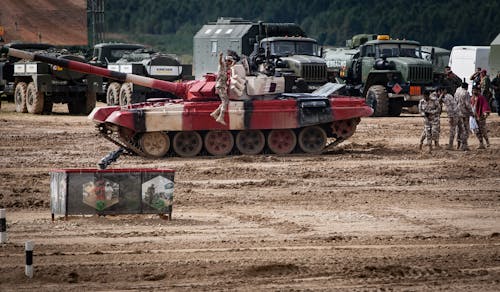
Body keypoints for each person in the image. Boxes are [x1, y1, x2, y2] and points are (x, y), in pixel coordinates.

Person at [210, 52, 235, 125]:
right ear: (227, 61)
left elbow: (231, 66)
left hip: (222, 86)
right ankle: (221, 117)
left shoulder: (226, 67)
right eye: (229, 61)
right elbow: (220, 62)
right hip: (220, 86)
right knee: (225, 101)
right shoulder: (222, 65)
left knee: (225, 101)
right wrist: (220, 56)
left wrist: (233, 61)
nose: (230, 63)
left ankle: (215, 113)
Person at [455, 80, 473, 151]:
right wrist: (471, 112)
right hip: (464, 114)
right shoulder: (466, 93)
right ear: (466, 87)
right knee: (465, 129)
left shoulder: (457, 91)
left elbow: (455, 101)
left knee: (458, 129)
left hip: (457, 113)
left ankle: (458, 144)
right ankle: (464, 145)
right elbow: (467, 104)